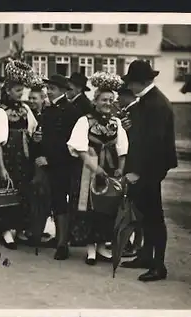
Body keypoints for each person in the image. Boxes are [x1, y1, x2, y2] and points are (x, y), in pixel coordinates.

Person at [120, 60, 178, 282]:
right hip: (146, 167)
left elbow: (153, 145)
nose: (130, 88)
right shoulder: (147, 101)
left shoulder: (155, 104)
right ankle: (146, 256)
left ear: (141, 82)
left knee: (153, 217)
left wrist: (139, 173)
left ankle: (158, 266)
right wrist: (131, 128)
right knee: (144, 214)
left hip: (151, 169)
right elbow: (142, 136)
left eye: (131, 83)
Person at [67, 71, 129, 265]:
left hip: (110, 170)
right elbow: (79, 148)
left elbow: (122, 150)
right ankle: (91, 249)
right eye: (104, 99)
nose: (108, 103)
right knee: (89, 208)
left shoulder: (116, 123)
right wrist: (94, 168)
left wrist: (120, 170)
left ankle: (103, 246)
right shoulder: (84, 121)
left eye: (111, 100)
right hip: (89, 171)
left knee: (107, 208)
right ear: (95, 101)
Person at [31, 74, 83, 260]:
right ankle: (56, 238)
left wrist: (50, 160)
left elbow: (70, 143)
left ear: (62, 90)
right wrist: (37, 140)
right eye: (48, 88)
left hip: (64, 164)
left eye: (52, 88)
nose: (48, 91)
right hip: (49, 163)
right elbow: (46, 136)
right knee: (53, 200)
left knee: (61, 201)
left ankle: (63, 243)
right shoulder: (48, 110)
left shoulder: (71, 111)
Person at [0, 59, 38, 250]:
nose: (21, 94)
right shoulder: (1, 112)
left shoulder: (26, 109)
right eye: (18, 90)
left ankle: (20, 229)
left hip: (24, 155)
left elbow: (33, 129)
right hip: (9, 155)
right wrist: (1, 167)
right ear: (8, 90)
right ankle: (5, 231)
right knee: (7, 190)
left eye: (22, 90)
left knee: (23, 192)